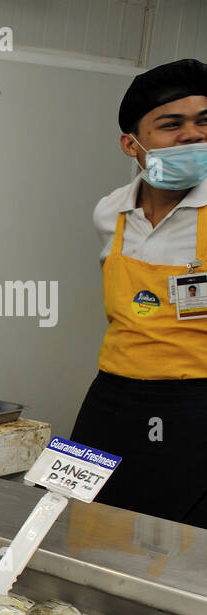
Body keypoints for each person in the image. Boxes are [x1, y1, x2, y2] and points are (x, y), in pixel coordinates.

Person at [70, 58, 207, 527]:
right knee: (84, 524)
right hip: (112, 398)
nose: (193, 135)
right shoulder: (111, 212)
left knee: (184, 546)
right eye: (172, 125)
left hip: (196, 403)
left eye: (204, 122)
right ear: (132, 144)